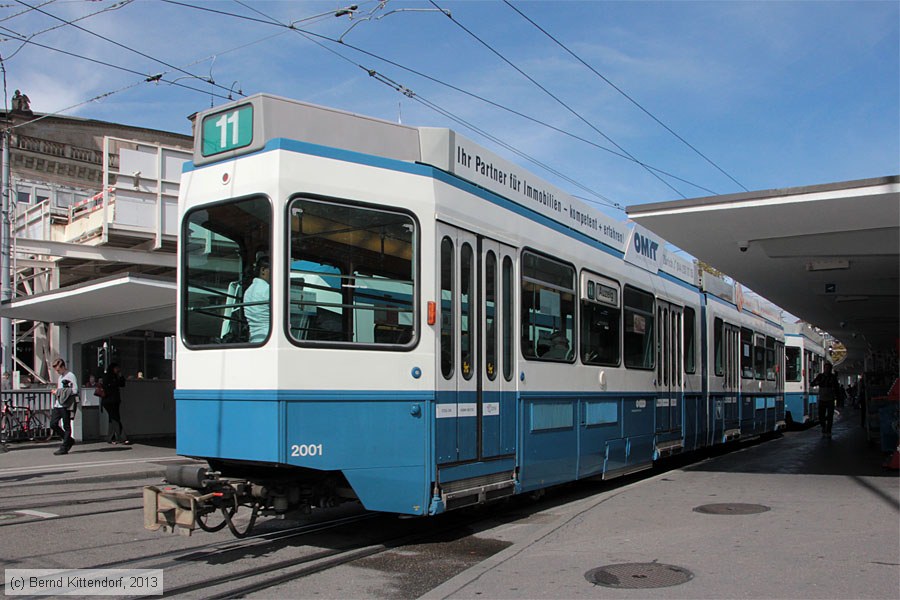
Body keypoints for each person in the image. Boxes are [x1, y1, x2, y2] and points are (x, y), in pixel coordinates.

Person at [49, 358, 78, 455]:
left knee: (66, 425)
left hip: (66, 404)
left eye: (58, 370)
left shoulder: (70, 376)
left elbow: (74, 390)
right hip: (58, 403)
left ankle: (65, 446)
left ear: (63, 367)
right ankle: (68, 440)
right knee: (53, 423)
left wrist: (58, 392)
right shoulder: (60, 377)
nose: (57, 372)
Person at [243, 255, 271, 343]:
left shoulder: (248, 291)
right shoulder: (268, 290)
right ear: (263, 270)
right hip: (269, 338)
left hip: (254, 339)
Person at [101, 363, 130, 445]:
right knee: (115, 418)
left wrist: (120, 376)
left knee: (112, 418)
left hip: (113, 400)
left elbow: (122, 384)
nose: (118, 370)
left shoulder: (114, 376)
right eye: (117, 368)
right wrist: (118, 379)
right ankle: (123, 437)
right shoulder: (108, 377)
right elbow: (114, 385)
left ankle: (110, 438)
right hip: (110, 400)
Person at [811, 362, 840, 438]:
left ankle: (829, 430)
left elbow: (837, 388)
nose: (827, 370)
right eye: (825, 368)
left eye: (828, 368)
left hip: (830, 399)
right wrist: (818, 382)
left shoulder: (833, 377)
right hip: (822, 398)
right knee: (821, 416)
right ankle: (823, 426)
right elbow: (812, 383)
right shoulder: (820, 376)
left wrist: (837, 397)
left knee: (830, 416)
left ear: (830, 369)